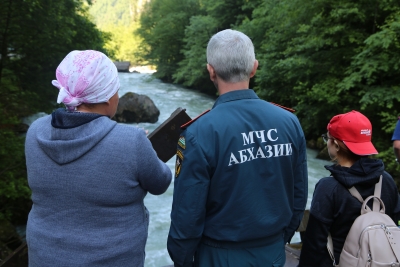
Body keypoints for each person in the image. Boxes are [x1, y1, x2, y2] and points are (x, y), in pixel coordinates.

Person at [167, 29, 308, 267]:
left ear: (210, 71)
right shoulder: (289, 122)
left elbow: (187, 215)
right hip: (273, 253)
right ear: (254, 68)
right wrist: (279, 239)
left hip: (219, 257)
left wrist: (183, 260)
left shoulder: (198, 133)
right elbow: (298, 194)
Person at [25, 50, 172, 267]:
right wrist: (143, 146)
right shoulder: (131, 141)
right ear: (106, 97)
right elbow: (161, 182)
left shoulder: (35, 132)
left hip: (44, 259)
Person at [298, 110, 400, 267]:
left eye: (328, 138)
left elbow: (314, 245)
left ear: (336, 145)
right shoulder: (386, 180)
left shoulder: (328, 187)